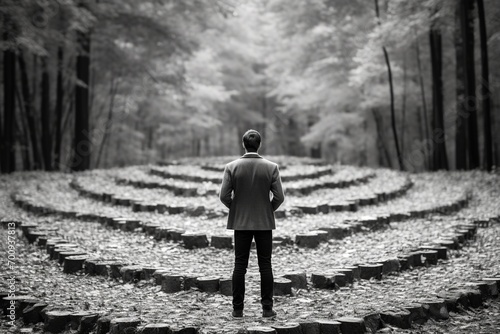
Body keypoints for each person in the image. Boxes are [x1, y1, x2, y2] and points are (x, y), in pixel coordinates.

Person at [219, 129, 285, 319]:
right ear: (259, 144)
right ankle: (267, 309)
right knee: (265, 265)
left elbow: (224, 196)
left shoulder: (232, 167)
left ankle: (237, 310)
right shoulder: (271, 167)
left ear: (243, 144)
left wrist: (237, 209)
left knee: (240, 265)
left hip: (241, 223)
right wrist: (267, 209)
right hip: (264, 223)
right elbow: (279, 197)